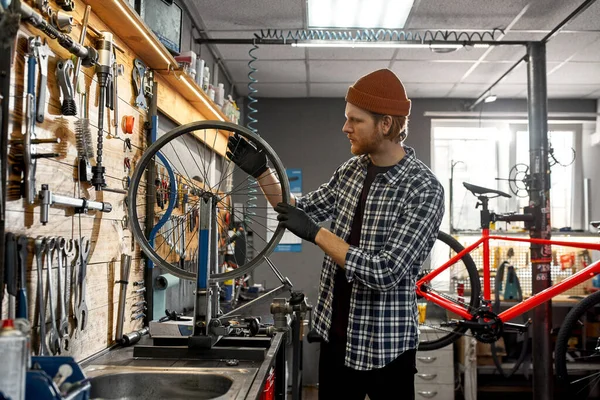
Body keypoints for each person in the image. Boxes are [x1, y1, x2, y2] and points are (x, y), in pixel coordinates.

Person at [226, 69, 445, 400]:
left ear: (386, 125)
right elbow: (297, 212)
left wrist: (318, 234)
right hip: (335, 336)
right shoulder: (351, 170)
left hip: (385, 347)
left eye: (355, 120)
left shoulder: (423, 188)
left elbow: (385, 271)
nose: (345, 128)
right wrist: (262, 173)